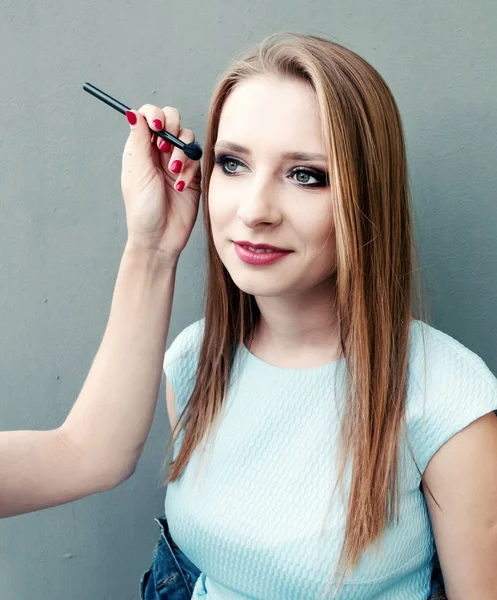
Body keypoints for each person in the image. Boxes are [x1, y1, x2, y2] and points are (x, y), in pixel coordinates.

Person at [1, 31, 496, 599]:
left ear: (366, 196)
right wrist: (150, 244)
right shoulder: (193, 362)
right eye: (233, 164)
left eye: (306, 175)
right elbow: (85, 455)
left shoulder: (448, 399)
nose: (255, 210)